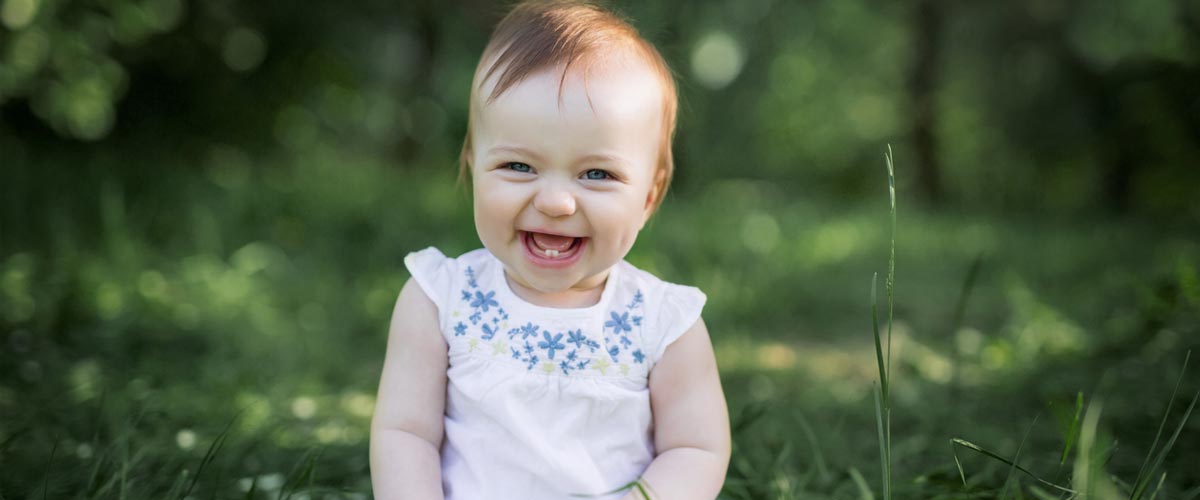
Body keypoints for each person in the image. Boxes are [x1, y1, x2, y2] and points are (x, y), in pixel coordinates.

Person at [370, 1, 730, 498]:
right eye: (518, 166)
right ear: (474, 167)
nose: (556, 202)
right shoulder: (439, 300)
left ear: (649, 196)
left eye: (597, 174)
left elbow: (695, 448)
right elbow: (405, 434)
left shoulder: (664, 323)